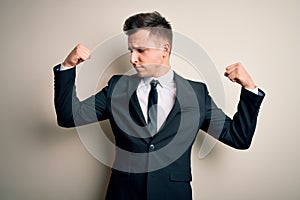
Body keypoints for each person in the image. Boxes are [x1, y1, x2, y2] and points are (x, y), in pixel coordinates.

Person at [53, 11, 265, 200]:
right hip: (123, 193)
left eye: (140, 50)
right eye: (130, 51)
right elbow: (69, 117)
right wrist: (68, 66)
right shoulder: (117, 87)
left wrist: (249, 88)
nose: (132, 59)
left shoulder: (197, 94)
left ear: (165, 49)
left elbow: (238, 138)